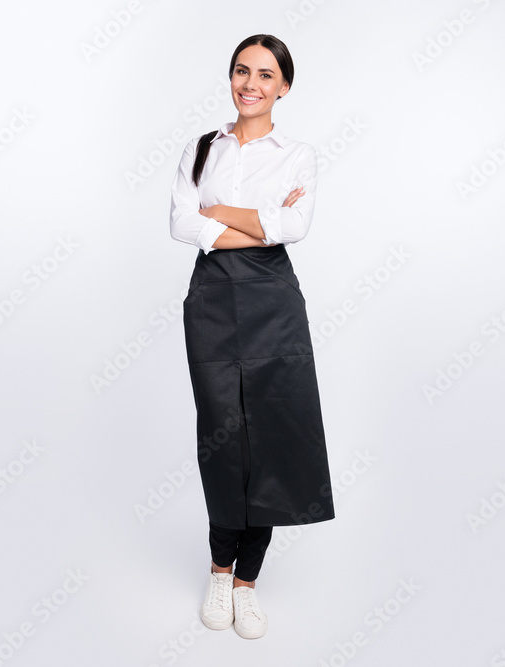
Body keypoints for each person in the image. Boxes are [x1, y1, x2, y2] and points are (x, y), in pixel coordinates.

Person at [168, 34, 335, 640]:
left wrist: (222, 216)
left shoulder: (298, 155)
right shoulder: (198, 150)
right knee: (224, 439)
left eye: (266, 75)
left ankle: (247, 584)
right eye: (242, 71)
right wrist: (260, 223)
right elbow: (181, 224)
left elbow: (296, 226)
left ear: (283, 87)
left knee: (271, 435)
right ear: (231, 78)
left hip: (274, 303)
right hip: (212, 301)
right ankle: (219, 569)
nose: (251, 83)